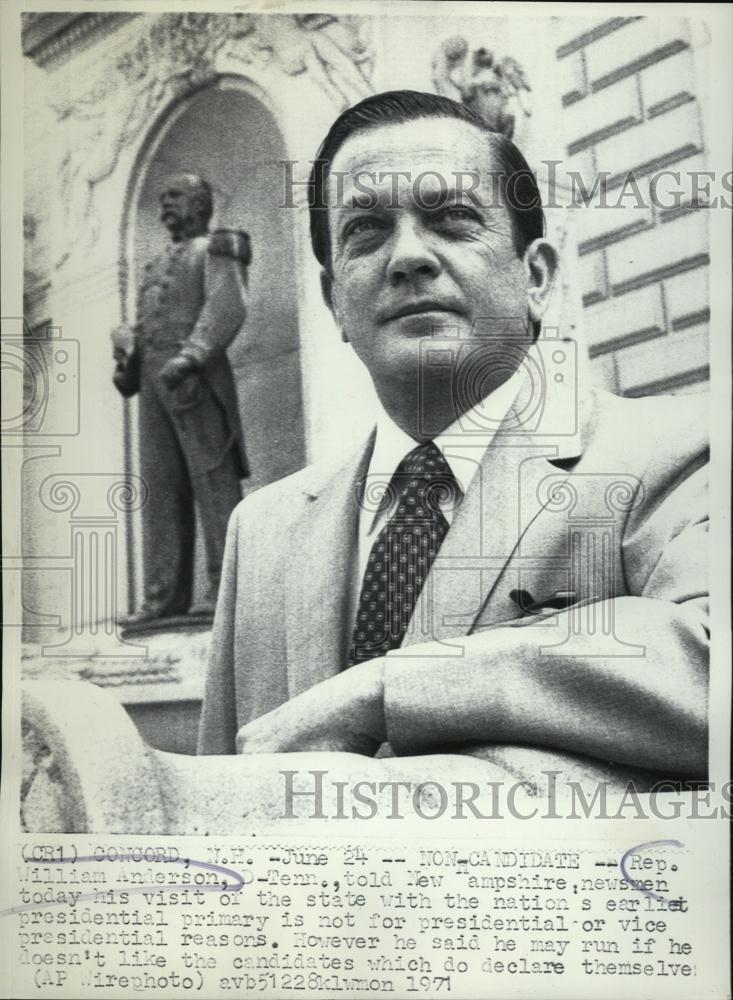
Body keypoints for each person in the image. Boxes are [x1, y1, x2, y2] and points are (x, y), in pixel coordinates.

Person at [198, 92, 708, 781]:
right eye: (366, 231)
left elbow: (709, 658)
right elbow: (215, 798)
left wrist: (387, 690)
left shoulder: (672, 452)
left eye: (453, 219)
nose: (407, 256)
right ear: (333, 302)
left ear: (536, 277)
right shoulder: (260, 531)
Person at [112, 173, 250, 628]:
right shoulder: (153, 267)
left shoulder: (216, 247)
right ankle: (163, 598)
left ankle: (225, 592)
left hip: (194, 376)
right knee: (160, 489)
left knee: (214, 484)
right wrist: (127, 352)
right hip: (152, 382)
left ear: (200, 203)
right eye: (162, 198)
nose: (165, 205)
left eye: (175, 196)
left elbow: (228, 304)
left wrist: (192, 356)